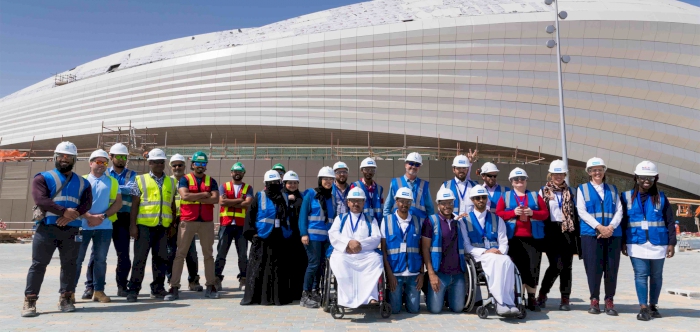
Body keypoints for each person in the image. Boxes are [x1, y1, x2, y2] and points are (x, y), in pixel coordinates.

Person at [22, 142, 92, 317]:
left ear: (74, 159)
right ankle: (30, 301)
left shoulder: (84, 183)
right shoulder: (42, 178)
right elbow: (41, 200)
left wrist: (72, 215)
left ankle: (66, 298)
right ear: (55, 157)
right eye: (61, 156)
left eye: (68, 157)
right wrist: (64, 212)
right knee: (38, 265)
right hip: (46, 228)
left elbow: (87, 203)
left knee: (69, 265)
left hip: (71, 230)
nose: (64, 159)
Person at [620, 161, 676, 321]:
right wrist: (623, 242)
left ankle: (653, 305)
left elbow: (670, 221)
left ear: (655, 179)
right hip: (635, 241)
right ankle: (643, 307)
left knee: (657, 275)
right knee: (641, 274)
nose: (646, 180)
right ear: (636, 177)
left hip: (658, 242)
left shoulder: (662, 198)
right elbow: (623, 222)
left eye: (650, 178)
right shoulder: (625, 197)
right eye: (643, 177)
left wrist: (671, 243)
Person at [165, 151, 220, 300]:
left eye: (203, 164)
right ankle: (174, 287)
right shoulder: (185, 179)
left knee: (208, 255)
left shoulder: (211, 181)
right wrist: (204, 195)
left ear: (206, 166)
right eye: (197, 163)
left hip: (206, 222)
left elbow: (215, 199)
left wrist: (195, 197)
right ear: (192, 164)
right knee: (180, 254)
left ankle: (211, 286)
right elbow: (185, 196)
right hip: (188, 220)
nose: (200, 166)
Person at [460, 185, 519, 316]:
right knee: (494, 260)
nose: (481, 200)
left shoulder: (497, 219)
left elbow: (503, 242)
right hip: (478, 256)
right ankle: (500, 302)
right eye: (477, 198)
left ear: (487, 199)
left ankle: (510, 302)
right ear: (472, 200)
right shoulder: (464, 221)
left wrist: (500, 251)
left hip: (497, 255)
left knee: (507, 261)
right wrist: (485, 252)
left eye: (483, 197)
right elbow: (466, 245)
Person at [495, 167, 549, 312]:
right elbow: (498, 214)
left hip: (533, 239)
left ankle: (532, 298)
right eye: (516, 180)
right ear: (511, 182)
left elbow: (544, 214)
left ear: (526, 181)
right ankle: (518, 297)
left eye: (522, 179)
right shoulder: (505, 196)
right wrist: (513, 212)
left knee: (533, 268)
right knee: (516, 269)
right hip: (513, 239)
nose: (519, 182)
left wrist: (533, 213)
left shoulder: (534, 196)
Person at [126, 149, 177, 302]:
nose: (159, 164)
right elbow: (135, 204)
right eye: (156, 162)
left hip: (163, 227)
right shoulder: (140, 180)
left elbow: (172, 204)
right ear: (150, 163)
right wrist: (133, 226)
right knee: (139, 259)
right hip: (144, 226)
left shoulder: (171, 181)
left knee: (161, 259)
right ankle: (133, 290)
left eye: (162, 162)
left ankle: (158, 288)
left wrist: (172, 225)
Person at [576, 157, 624, 315]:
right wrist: (599, 227)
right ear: (589, 172)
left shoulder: (613, 189)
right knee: (593, 268)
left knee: (611, 268)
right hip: (591, 234)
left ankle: (609, 300)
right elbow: (582, 211)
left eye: (600, 169)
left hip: (612, 234)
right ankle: (594, 300)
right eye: (594, 170)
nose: (597, 172)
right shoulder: (582, 189)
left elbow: (619, 210)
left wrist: (610, 227)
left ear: (604, 171)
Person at [240, 170, 294, 305]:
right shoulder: (259, 196)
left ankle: (277, 297)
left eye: (276, 182)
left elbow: (288, 217)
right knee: (258, 267)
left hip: (279, 238)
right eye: (271, 183)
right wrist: (252, 234)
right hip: (262, 238)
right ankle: (257, 297)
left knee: (278, 269)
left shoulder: (284, 197)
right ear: (266, 184)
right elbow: (250, 216)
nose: (274, 185)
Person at [75, 150, 122, 303]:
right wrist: (88, 216)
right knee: (77, 259)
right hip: (82, 225)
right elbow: (76, 203)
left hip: (104, 226)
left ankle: (99, 291)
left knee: (101, 259)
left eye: (104, 162)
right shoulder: (81, 180)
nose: (101, 165)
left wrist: (102, 216)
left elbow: (118, 203)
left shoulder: (112, 182)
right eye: (98, 162)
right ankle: (69, 292)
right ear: (90, 163)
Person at [537, 160, 581, 311]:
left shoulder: (571, 191)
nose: (558, 176)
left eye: (561, 173)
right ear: (551, 174)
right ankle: (543, 294)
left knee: (567, 266)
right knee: (556, 265)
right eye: (555, 173)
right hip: (551, 231)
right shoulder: (543, 191)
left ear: (565, 174)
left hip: (567, 230)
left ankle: (565, 298)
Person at [329, 187, 383, 308]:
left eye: (359, 201)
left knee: (376, 260)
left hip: (365, 254)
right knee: (339, 261)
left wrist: (359, 245)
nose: (356, 203)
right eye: (353, 200)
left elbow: (376, 237)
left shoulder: (371, 219)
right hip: (345, 253)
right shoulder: (340, 218)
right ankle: (346, 300)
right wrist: (348, 243)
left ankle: (371, 297)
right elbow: (333, 234)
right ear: (348, 202)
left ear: (364, 202)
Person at [422, 188, 467, 314]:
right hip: (439, 274)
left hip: (457, 274)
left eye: (450, 203)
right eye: (443, 203)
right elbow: (425, 248)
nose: (447, 206)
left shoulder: (459, 222)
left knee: (458, 309)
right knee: (435, 310)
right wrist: (431, 274)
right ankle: (430, 291)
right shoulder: (431, 221)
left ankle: (447, 295)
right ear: (438, 204)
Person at [298, 166, 336, 308]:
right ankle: (305, 294)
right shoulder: (310, 195)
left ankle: (316, 291)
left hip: (326, 238)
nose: (328, 181)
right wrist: (303, 234)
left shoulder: (332, 198)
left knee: (321, 265)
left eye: (330, 179)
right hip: (312, 237)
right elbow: (303, 216)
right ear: (320, 180)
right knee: (313, 264)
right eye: (325, 179)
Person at [381, 187, 423, 314]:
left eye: (408, 201)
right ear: (396, 201)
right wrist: (389, 275)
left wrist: (421, 273)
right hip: (395, 274)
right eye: (401, 201)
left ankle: (406, 296)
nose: (404, 204)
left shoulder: (417, 221)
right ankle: (398, 296)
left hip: (413, 274)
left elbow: (421, 249)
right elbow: (383, 250)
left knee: (414, 310)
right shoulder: (386, 220)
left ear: (411, 203)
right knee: (394, 310)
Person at [105, 143, 138, 297]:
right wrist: (121, 188)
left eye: (124, 156)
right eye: (118, 156)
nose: (121, 159)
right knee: (97, 255)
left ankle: (122, 286)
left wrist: (112, 187)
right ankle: (91, 287)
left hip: (123, 218)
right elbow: (126, 189)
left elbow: (132, 189)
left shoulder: (133, 174)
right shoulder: (103, 172)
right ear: (111, 157)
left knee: (123, 255)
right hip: (105, 217)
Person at [165, 154, 202, 292]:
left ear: (185, 166)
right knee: (171, 253)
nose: (177, 167)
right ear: (171, 166)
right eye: (174, 165)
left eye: (180, 165)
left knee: (191, 252)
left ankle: (193, 280)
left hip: (188, 221)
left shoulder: (190, 181)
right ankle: (171, 280)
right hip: (172, 222)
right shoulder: (168, 182)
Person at [216, 162, 253, 290]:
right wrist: (240, 200)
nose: (237, 173)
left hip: (241, 225)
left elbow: (248, 203)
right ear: (231, 173)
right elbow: (222, 202)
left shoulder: (248, 188)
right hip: (226, 224)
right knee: (221, 253)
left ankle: (243, 279)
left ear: (243, 173)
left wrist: (230, 202)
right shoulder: (224, 186)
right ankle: (217, 278)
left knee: (243, 255)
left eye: (240, 171)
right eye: (235, 171)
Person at [383, 152, 434, 220]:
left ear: (419, 167)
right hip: (399, 224)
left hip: (419, 226)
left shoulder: (424, 185)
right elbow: (387, 207)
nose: (413, 166)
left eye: (417, 164)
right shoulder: (395, 183)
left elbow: (430, 209)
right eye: (411, 163)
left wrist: (430, 225)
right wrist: (388, 222)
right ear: (405, 165)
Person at [282, 170, 307, 301]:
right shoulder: (280, 196)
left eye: (294, 183)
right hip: (285, 237)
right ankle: (286, 292)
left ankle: (298, 292)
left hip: (299, 237)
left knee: (299, 265)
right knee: (286, 265)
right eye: (289, 183)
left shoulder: (302, 197)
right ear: (284, 183)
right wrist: (286, 200)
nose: (292, 185)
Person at [350, 157, 384, 225]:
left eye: (372, 170)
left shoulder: (379, 189)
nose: (369, 172)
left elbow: (382, 207)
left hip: (377, 224)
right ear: (362, 170)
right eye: (366, 169)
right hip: (360, 224)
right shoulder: (355, 186)